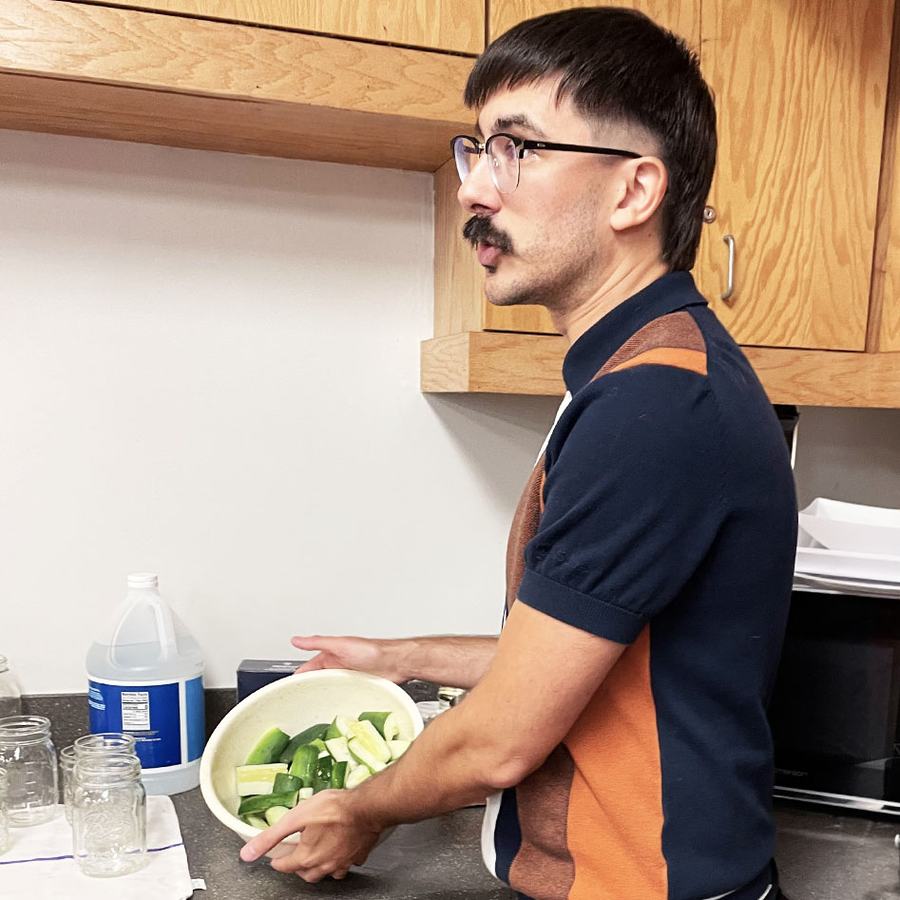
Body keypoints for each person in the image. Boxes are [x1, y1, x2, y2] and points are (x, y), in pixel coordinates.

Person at [240, 8, 798, 899]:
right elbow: (576, 653)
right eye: (478, 149)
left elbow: (501, 737)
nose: (473, 189)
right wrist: (400, 658)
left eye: (519, 149)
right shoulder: (641, 373)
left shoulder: (655, 404)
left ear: (632, 192)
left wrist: (363, 807)